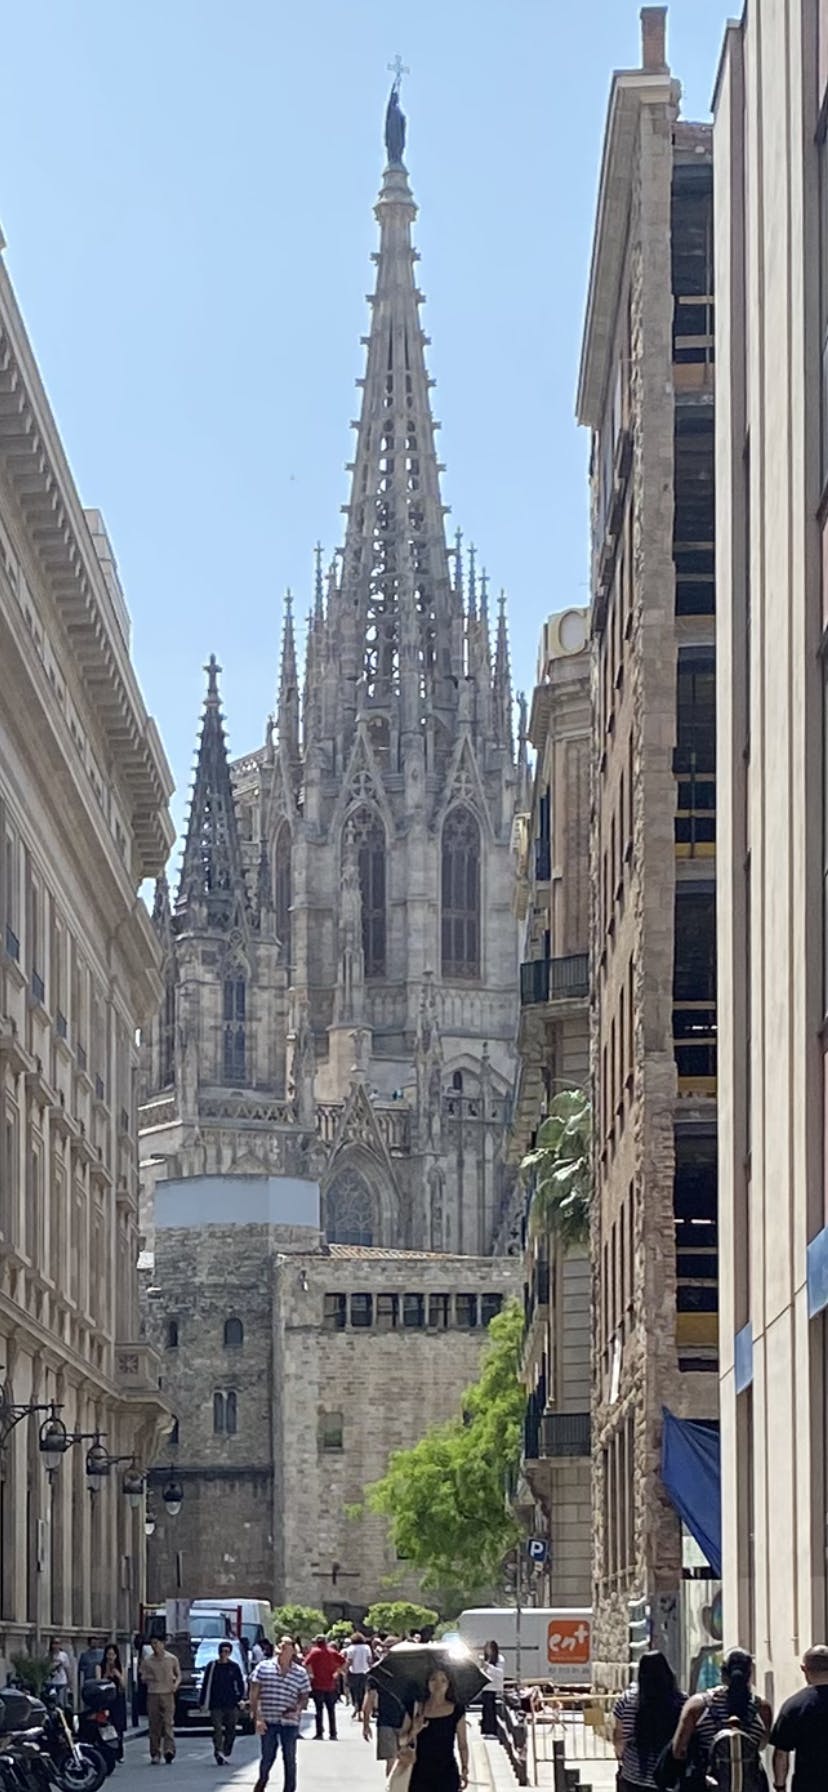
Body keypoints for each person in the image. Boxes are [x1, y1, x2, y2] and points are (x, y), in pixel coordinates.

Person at [673, 1647, 771, 1781]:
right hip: (749, 1784)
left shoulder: (698, 1705)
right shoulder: (762, 1708)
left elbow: (678, 1750)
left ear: (723, 1674)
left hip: (709, 1784)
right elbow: (762, 1745)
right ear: (749, 1675)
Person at [613, 1651, 684, 1791]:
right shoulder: (681, 1701)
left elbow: (619, 1738)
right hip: (668, 1777)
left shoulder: (627, 1700)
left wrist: (621, 1758)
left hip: (634, 1775)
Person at [250, 1636, 311, 1792]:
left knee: (289, 1758)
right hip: (268, 1720)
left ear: (293, 1650)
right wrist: (258, 1718)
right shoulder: (263, 1667)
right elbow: (254, 1693)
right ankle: (262, 1782)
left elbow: (304, 1697)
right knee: (267, 1756)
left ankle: (289, 1789)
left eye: (287, 1645)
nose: (283, 1647)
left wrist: (297, 1710)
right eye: (281, 1644)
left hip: (289, 1722)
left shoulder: (300, 1673)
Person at [398, 1667, 469, 1792]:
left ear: (449, 1684)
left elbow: (462, 1744)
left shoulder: (457, 1710)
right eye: (433, 1679)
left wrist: (464, 1767)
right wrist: (414, 1730)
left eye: (443, 1680)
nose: (438, 1684)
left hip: (447, 1773)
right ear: (427, 1683)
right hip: (419, 1774)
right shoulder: (416, 1709)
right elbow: (401, 1741)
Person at [770, 1642, 828, 1792]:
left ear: (804, 1669)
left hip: (808, 1785)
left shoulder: (794, 1706)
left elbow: (781, 1754)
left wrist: (780, 1786)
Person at [362, 1638, 410, 1775]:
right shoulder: (411, 1671)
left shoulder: (377, 1672)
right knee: (403, 1761)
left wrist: (366, 1724)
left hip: (389, 1721)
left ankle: (393, 1785)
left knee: (392, 1760)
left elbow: (369, 1699)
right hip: (406, 1721)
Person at [201, 1640, 246, 1766]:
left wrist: (241, 1698)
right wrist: (202, 1701)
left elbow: (240, 1684)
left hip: (231, 1704)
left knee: (231, 1730)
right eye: (222, 1651)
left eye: (226, 1651)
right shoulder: (212, 1666)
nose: (224, 1654)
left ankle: (226, 1750)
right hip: (216, 1704)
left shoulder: (234, 1667)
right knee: (217, 1729)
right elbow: (206, 1684)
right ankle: (218, 1751)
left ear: (230, 1653)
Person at [140, 1635, 182, 1765]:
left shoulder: (172, 1659)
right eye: (152, 1643)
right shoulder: (147, 1660)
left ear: (163, 1644)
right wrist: (149, 1678)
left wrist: (175, 1685)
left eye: (157, 1643)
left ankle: (169, 1750)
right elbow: (142, 1676)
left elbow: (178, 1675)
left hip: (168, 1693)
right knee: (154, 1725)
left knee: (168, 1723)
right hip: (153, 1693)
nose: (154, 1646)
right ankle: (155, 1753)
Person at [304, 1635, 345, 1740]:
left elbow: (305, 1663)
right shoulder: (332, 1651)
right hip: (330, 1684)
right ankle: (333, 1733)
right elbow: (343, 1662)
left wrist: (310, 1674)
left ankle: (319, 1733)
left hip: (317, 1684)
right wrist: (337, 1673)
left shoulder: (314, 1652)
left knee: (319, 1710)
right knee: (331, 1710)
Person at [97, 1644, 127, 1762]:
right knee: (106, 1725)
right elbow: (98, 1683)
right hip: (105, 1700)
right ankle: (108, 1752)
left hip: (117, 1699)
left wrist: (118, 1676)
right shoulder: (100, 1666)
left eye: (113, 1655)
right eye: (108, 1654)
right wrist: (105, 1675)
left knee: (118, 1726)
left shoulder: (120, 1667)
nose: (110, 1657)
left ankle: (119, 1752)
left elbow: (124, 1686)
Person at [345, 1632, 372, 1719]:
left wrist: (345, 1671)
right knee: (363, 1692)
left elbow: (349, 1661)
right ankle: (361, 1710)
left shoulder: (351, 1648)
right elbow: (369, 1660)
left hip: (354, 1672)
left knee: (354, 1692)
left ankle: (356, 1708)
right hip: (365, 1672)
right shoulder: (367, 1647)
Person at [480, 1642, 505, 1738]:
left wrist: (489, 1667)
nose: (488, 1651)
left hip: (494, 1688)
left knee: (491, 1709)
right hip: (485, 1687)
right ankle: (486, 1730)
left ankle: (493, 1730)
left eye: (489, 1649)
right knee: (486, 1710)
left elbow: (500, 1673)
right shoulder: (485, 1659)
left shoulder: (499, 1659)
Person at [47, 1638, 72, 1708]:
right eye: (54, 1643)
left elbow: (67, 1668)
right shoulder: (48, 1655)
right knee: (52, 1700)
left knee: (61, 1701)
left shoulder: (63, 1655)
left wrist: (69, 1680)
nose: (56, 1646)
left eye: (57, 1643)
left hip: (62, 1681)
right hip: (52, 1682)